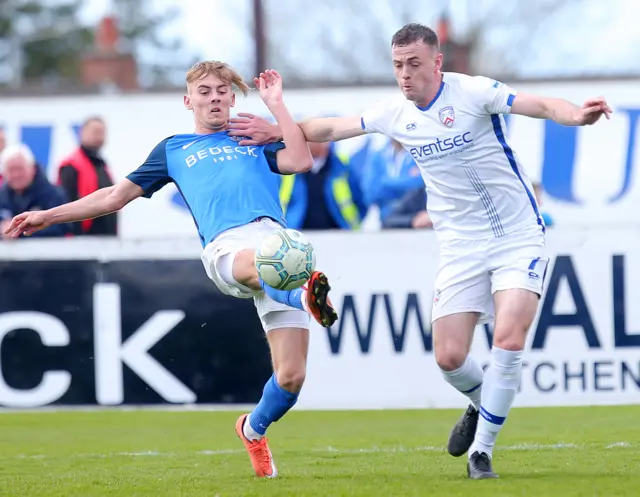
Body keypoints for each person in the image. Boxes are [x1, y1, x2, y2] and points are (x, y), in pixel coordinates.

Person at [227, 23, 611, 479]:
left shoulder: (474, 92)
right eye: (397, 66)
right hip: (460, 245)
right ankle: (480, 403)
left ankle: (481, 453)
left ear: (437, 63)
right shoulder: (395, 113)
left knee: (507, 338)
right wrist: (278, 127)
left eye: (413, 64)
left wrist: (577, 116)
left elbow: (544, 105)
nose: (405, 75)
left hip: (517, 234)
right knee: (449, 359)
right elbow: (330, 127)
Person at [4, 60, 338, 479]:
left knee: (291, 379)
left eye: (221, 90)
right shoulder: (174, 149)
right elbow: (112, 196)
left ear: (233, 98)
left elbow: (302, 161)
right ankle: (305, 293)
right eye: (204, 91)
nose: (214, 97)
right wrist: (48, 216)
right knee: (268, 264)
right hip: (229, 249)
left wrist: (276, 106)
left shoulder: (253, 136)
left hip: (277, 243)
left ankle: (252, 429)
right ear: (188, 100)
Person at [58, 116, 118, 236]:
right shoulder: (71, 166)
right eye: (95, 132)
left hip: (105, 237)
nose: (99, 137)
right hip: (83, 238)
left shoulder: (101, 165)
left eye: (102, 133)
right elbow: (66, 203)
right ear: (82, 132)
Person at [0, 143, 70, 239]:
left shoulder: (53, 195)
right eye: (11, 170)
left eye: (20, 169)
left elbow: (63, 227)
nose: (16, 175)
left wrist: (20, 231)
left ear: (32, 168)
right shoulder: (2, 196)